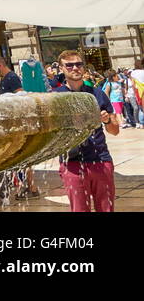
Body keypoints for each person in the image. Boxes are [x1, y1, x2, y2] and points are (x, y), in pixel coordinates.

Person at [53, 50, 118, 212]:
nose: (75, 68)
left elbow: (115, 130)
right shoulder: (55, 97)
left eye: (78, 64)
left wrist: (107, 120)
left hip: (100, 161)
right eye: (69, 65)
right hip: (72, 164)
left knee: (106, 208)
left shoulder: (97, 94)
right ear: (61, 68)